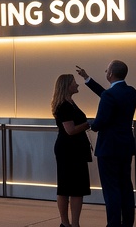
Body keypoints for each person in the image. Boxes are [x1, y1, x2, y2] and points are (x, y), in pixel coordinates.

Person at [77, 61, 136, 227]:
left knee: (111, 189)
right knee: (125, 186)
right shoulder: (131, 92)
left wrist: (92, 123)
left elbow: (100, 121)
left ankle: (113, 224)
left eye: (107, 69)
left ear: (110, 74)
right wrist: (88, 79)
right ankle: (128, 223)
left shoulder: (109, 96)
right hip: (125, 146)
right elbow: (108, 96)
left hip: (109, 148)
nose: (105, 71)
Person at [52, 73, 92, 227]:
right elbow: (70, 130)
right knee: (71, 188)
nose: (77, 85)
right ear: (67, 86)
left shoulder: (69, 104)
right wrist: (88, 124)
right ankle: (69, 223)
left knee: (71, 188)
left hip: (71, 149)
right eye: (74, 82)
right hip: (70, 150)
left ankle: (70, 224)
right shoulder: (64, 106)